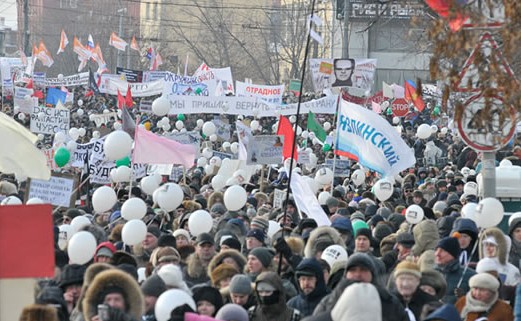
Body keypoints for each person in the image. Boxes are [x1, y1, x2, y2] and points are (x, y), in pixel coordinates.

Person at [434, 236, 476, 304]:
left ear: (453, 254)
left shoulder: (470, 276)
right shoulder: (430, 273)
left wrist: (464, 296)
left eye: (443, 250)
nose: (437, 254)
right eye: (436, 250)